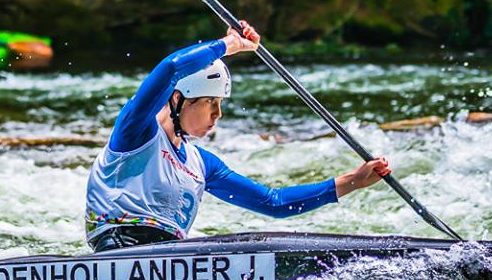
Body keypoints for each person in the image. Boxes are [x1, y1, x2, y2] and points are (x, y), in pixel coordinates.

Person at [85, 21, 391, 252]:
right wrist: (230, 44)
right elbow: (172, 68)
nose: (218, 115)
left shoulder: (202, 164)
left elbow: (275, 203)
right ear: (178, 99)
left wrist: (353, 181)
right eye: (210, 103)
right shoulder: (135, 132)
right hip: (117, 249)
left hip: (169, 255)